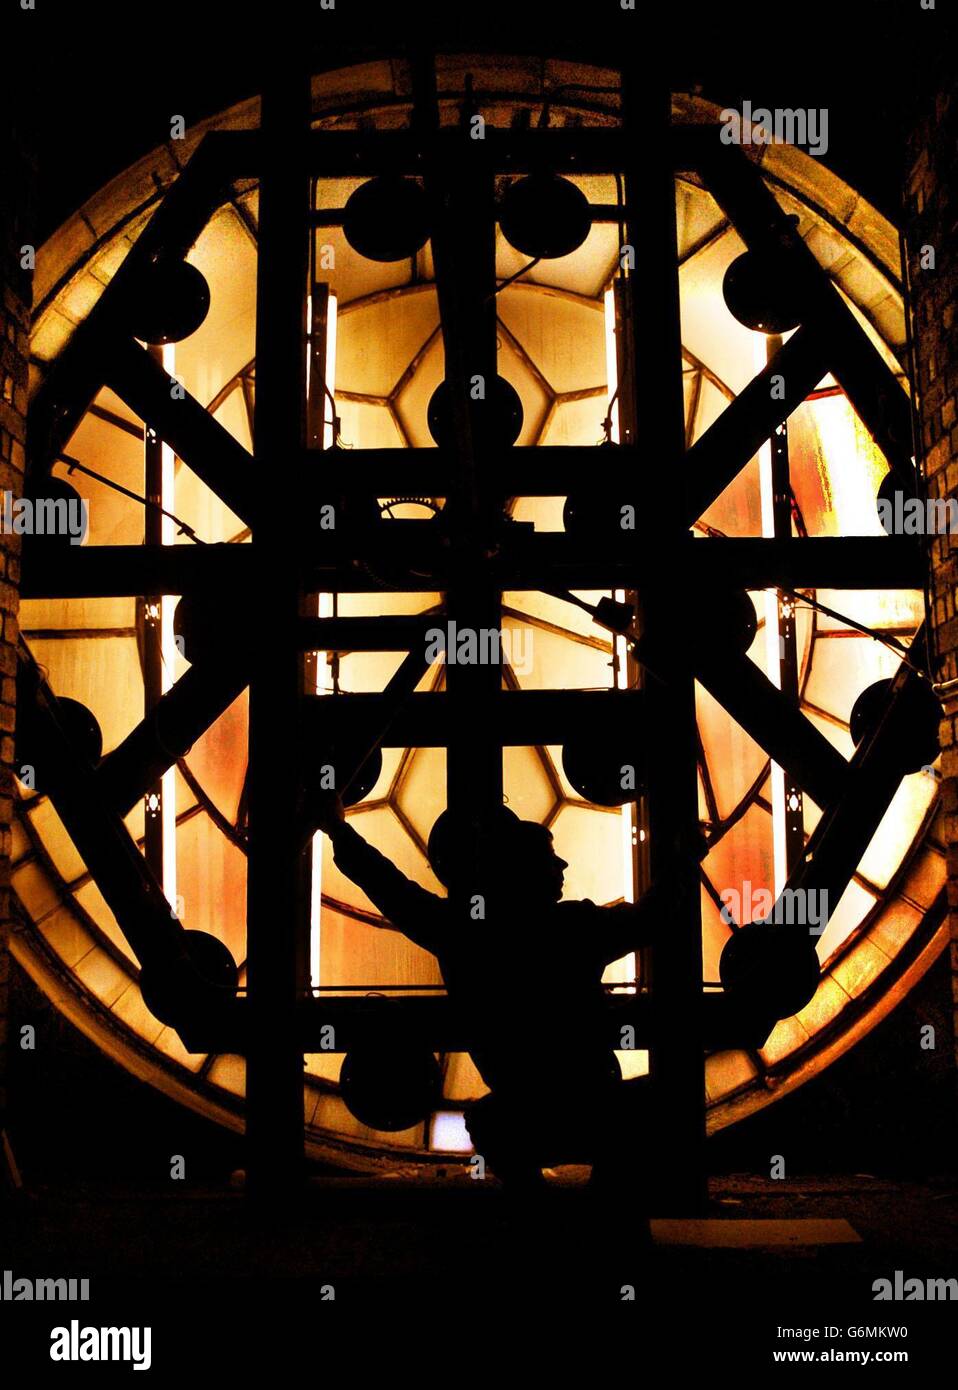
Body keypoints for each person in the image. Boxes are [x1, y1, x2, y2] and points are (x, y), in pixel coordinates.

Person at [311, 793, 705, 1199]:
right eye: (551, 857)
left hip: (520, 1118)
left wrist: (337, 828)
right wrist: (683, 859)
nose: (562, 864)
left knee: (491, 1124)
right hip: (597, 1109)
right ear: (528, 871)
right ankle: (607, 1209)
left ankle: (537, 1213)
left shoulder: (463, 933)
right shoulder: (579, 927)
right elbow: (654, 916)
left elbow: (391, 888)